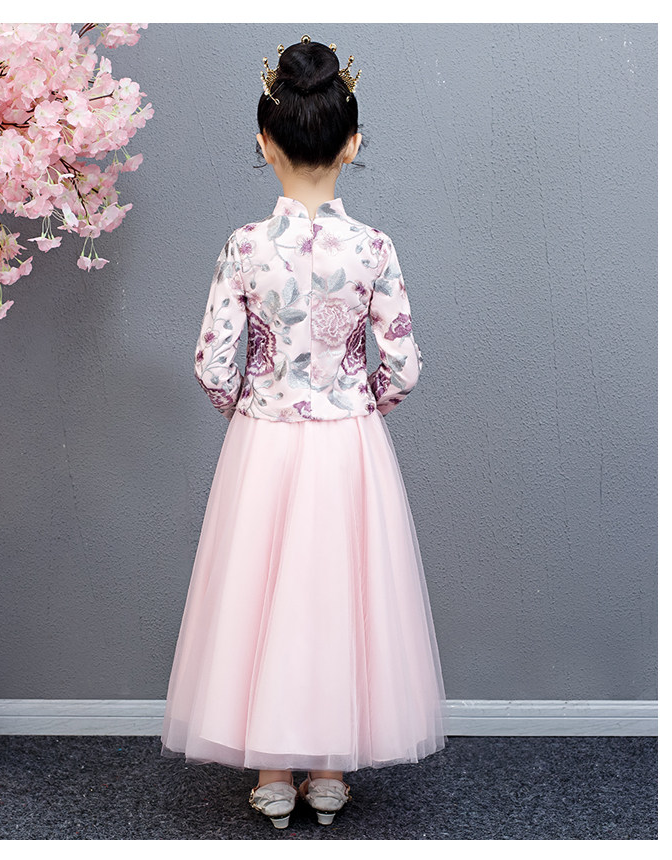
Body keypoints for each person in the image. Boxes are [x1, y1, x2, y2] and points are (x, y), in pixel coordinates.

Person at [160, 34, 448, 830]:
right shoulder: (374, 248)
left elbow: (212, 363)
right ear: (352, 143)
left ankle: (274, 773)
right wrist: (358, 401)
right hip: (348, 441)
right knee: (339, 592)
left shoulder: (245, 248)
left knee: (262, 597)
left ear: (265, 141)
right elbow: (403, 365)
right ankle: (327, 770)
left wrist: (254, 409)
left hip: (266, 440)